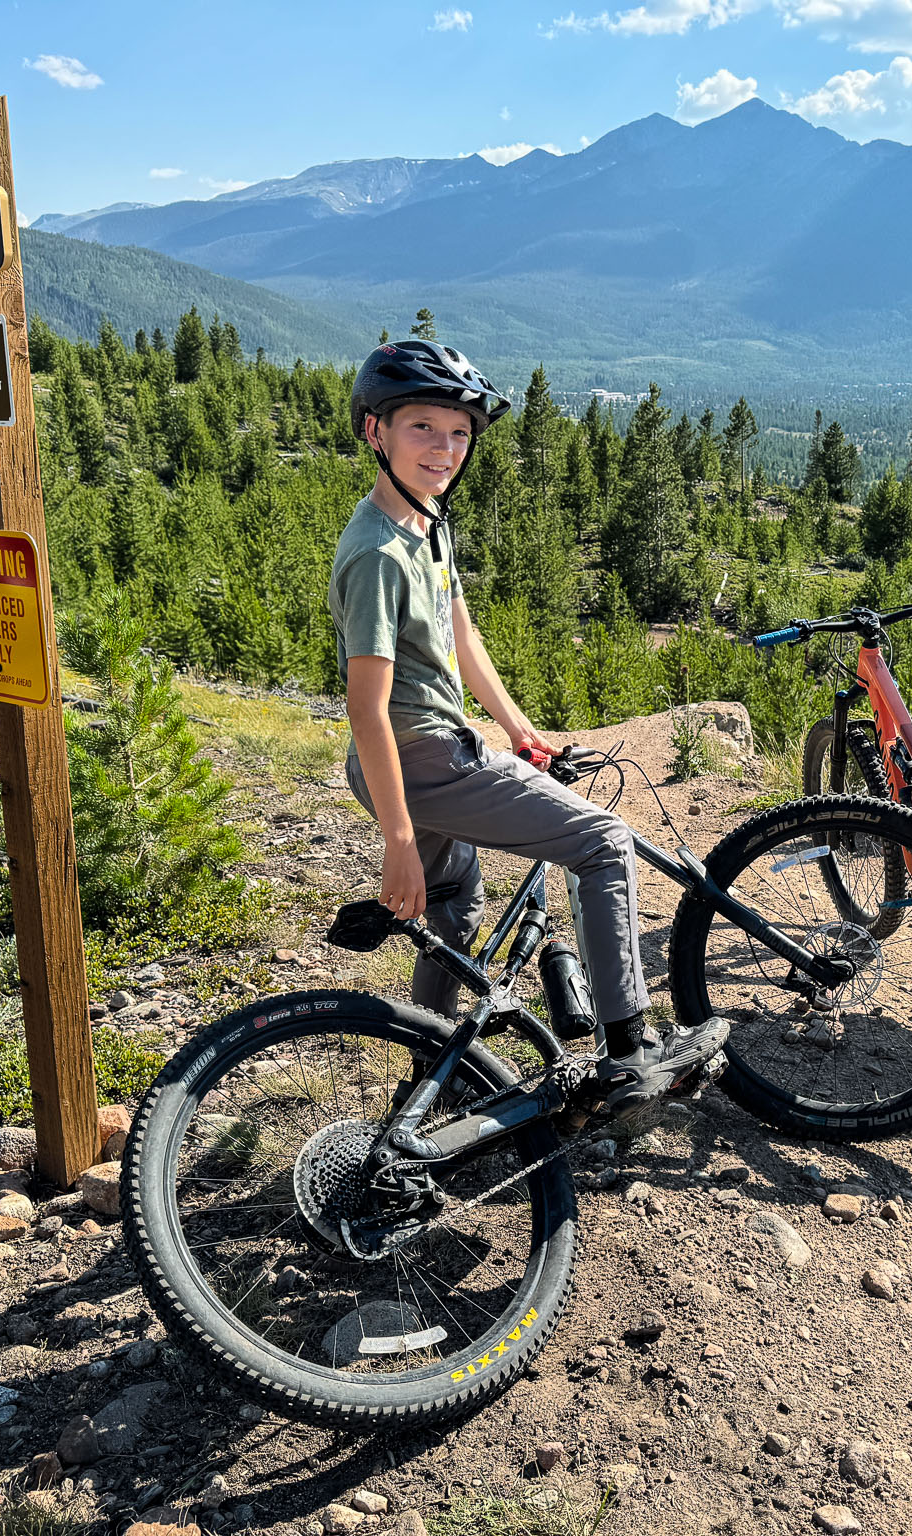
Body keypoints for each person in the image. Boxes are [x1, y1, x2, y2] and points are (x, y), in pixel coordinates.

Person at [329, 339, 728, 1111]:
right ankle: (630, 1053)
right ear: (375, 430)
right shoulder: (377, 553)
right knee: (604, 845)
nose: (444, 449)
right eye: (422, 427)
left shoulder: (425, 520)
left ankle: (430, 1081)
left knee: (454, 905)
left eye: (459, 433)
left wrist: (518, 730)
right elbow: (365, 705)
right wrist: (399, 841)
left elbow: (461, 633)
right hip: (420, 759)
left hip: (424, 751)